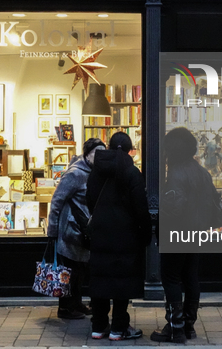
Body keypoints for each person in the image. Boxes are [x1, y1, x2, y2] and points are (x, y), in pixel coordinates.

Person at [151, 127, 221, 343]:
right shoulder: (202, 172)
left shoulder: (175, 174)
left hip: (176, 233)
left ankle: (175, 328)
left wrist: (158, 224)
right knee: (191, 277)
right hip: (197, 232)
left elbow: (173, 209)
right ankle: (189, 325)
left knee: (171, 278)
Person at [86, 132, 151, 341]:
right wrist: (145, 232)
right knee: (121, 282)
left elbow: (89, 200)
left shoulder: (96, 172)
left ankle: (98, 326)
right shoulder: (132, 172)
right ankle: (119, 328)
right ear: (131, 150)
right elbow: (141, 207)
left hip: (99, 232)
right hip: (126, 234)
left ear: (109, 148)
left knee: (100, 279)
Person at [47, 138, 106, 319]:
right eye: (97, 153)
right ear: (87, 154)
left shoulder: (95, 171)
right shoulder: (75, 174)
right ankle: (65, 308)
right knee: (69, 271)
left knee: (79, 270)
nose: (100, 157)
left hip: (82, 230)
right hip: (70, 231)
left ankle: (77, 303)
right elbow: (57, 201)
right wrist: (53, 230)